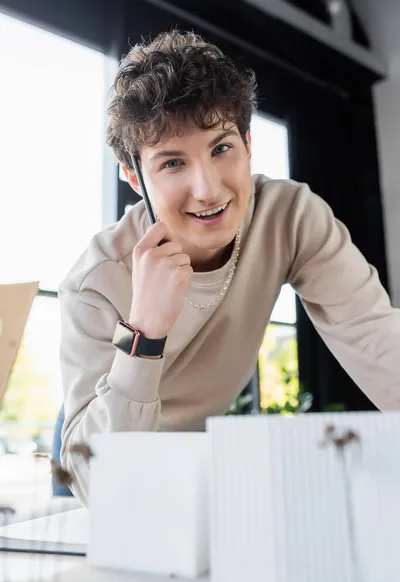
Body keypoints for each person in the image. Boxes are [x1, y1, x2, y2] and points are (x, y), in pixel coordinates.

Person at [57, 29, 400, 505]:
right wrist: (145, 331)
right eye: (173, 163)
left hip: (202, 466)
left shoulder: (290, 217)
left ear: (248, 144)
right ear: (134, 177)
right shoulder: (96, 282)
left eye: (221, 149)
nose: (209, 189)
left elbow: (379, 341)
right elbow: (98, 482)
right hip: (103, 442)